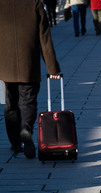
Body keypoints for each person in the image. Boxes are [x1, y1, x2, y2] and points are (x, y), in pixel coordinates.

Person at [0, 0, 61, 159]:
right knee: (28, 101)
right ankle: (26, 128)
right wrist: (52, 68)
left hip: (3, 66)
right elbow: (45, 37)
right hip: (28, 64)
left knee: (9, 104)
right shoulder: (34, 4)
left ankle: (15, 142)